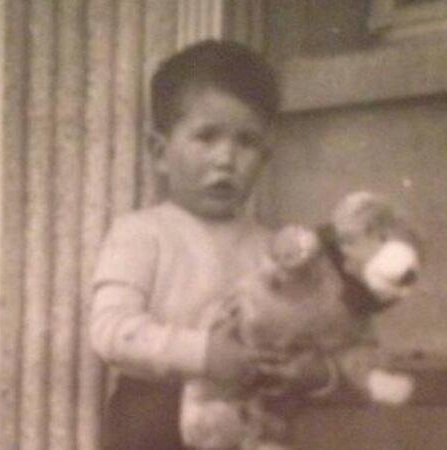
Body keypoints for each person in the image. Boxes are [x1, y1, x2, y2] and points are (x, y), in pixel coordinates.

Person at [89, 40, 332, 450]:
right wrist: (203, 354)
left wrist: (310, 371)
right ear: (160, 152)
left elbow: (316, 337)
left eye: (246, 141)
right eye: (207, 136)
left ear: (265, 156)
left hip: (245, 420)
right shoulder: (141, 234)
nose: (226, 159)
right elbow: (110, 331)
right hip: (153, 418)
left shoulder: (274, 251)